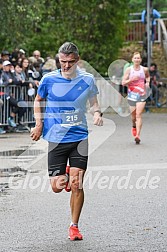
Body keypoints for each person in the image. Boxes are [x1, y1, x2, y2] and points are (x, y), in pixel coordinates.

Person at [30, 42, 103, 240]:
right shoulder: (49, 79)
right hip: (56, 139)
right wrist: (38, 125)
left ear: (77, 61)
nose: (66, 66)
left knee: (77, 184)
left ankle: (74, 226)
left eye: (70, 62)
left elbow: (94, 103)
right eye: (63, 62)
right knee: (57, 186)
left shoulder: (87, 80)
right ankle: (67, 173)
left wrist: (97, 113)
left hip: (79, 137)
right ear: (59, 59)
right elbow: (38, 100)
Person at [122, 52, 150, 144]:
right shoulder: (129, 70)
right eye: (135, 58)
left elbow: (148, 77)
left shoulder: (144, 69)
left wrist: (147, 83)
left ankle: (138, 135)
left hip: (142, 94)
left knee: (138, 115)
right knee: (133, 116)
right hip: (132, 95)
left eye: (138, 58)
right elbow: (123, 82)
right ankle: (134, 126)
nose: (137, 60)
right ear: (132, 60)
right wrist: (131, 80)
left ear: (141, 60)